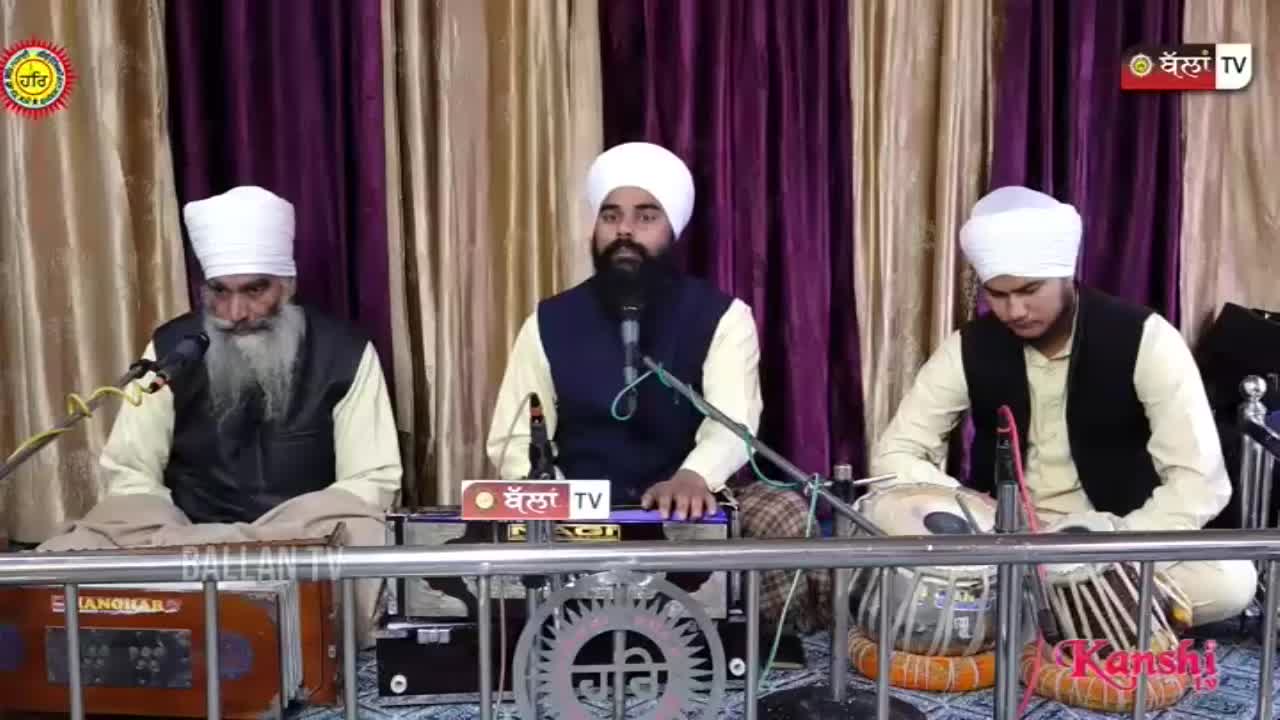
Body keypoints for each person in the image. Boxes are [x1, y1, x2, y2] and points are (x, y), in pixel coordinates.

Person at [869, 185, 1257, 628]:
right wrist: (968, 505)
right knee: (881, 508)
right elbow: (895, 454)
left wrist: (1112, 544)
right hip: (1005, 538)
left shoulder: (1145, 338)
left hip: (1114, 536)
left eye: (1029, 290)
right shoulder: (969, 346)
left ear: (1065, 274)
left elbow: (1197, 483)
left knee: (1230, 579)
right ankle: (1083, 613)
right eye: (997, 295)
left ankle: (1020, 611)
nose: (1014, 310)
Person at [485, 142, 828, 630]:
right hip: (579, 512)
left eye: (645, 217)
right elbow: (513, 436)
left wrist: (695, 477)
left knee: (785, 517)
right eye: (611, 215)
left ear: (672, 231)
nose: (624, 230)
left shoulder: (722, 317)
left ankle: (748, 658)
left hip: (685, 507)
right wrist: (559, 499)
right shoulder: (549, 320)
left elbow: (734, 421)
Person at [39, 185, 402, 639]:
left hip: (298, 542)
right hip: (180, 538)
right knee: (70, 548)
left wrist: (260, 543)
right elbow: (131, 469)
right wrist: (182, 538)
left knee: (363, 531)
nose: (236, 312)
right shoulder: (173, 349)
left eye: (254, 290)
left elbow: (369, 480)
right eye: (220, 292)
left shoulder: (345, 351)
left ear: (286, 285)